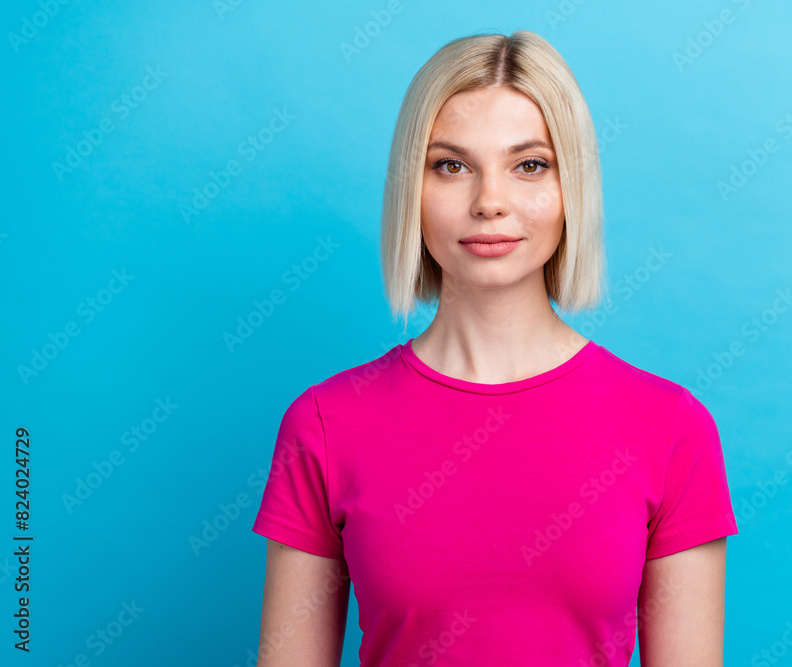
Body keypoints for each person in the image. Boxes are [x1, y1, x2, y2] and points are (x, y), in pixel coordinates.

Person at [251, 29, 738, 666]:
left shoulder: (671, 427)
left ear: (572, 191)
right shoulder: (324, 424)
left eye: (529, 165)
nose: (490, 203)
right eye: (451, 166)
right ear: (412, 192)